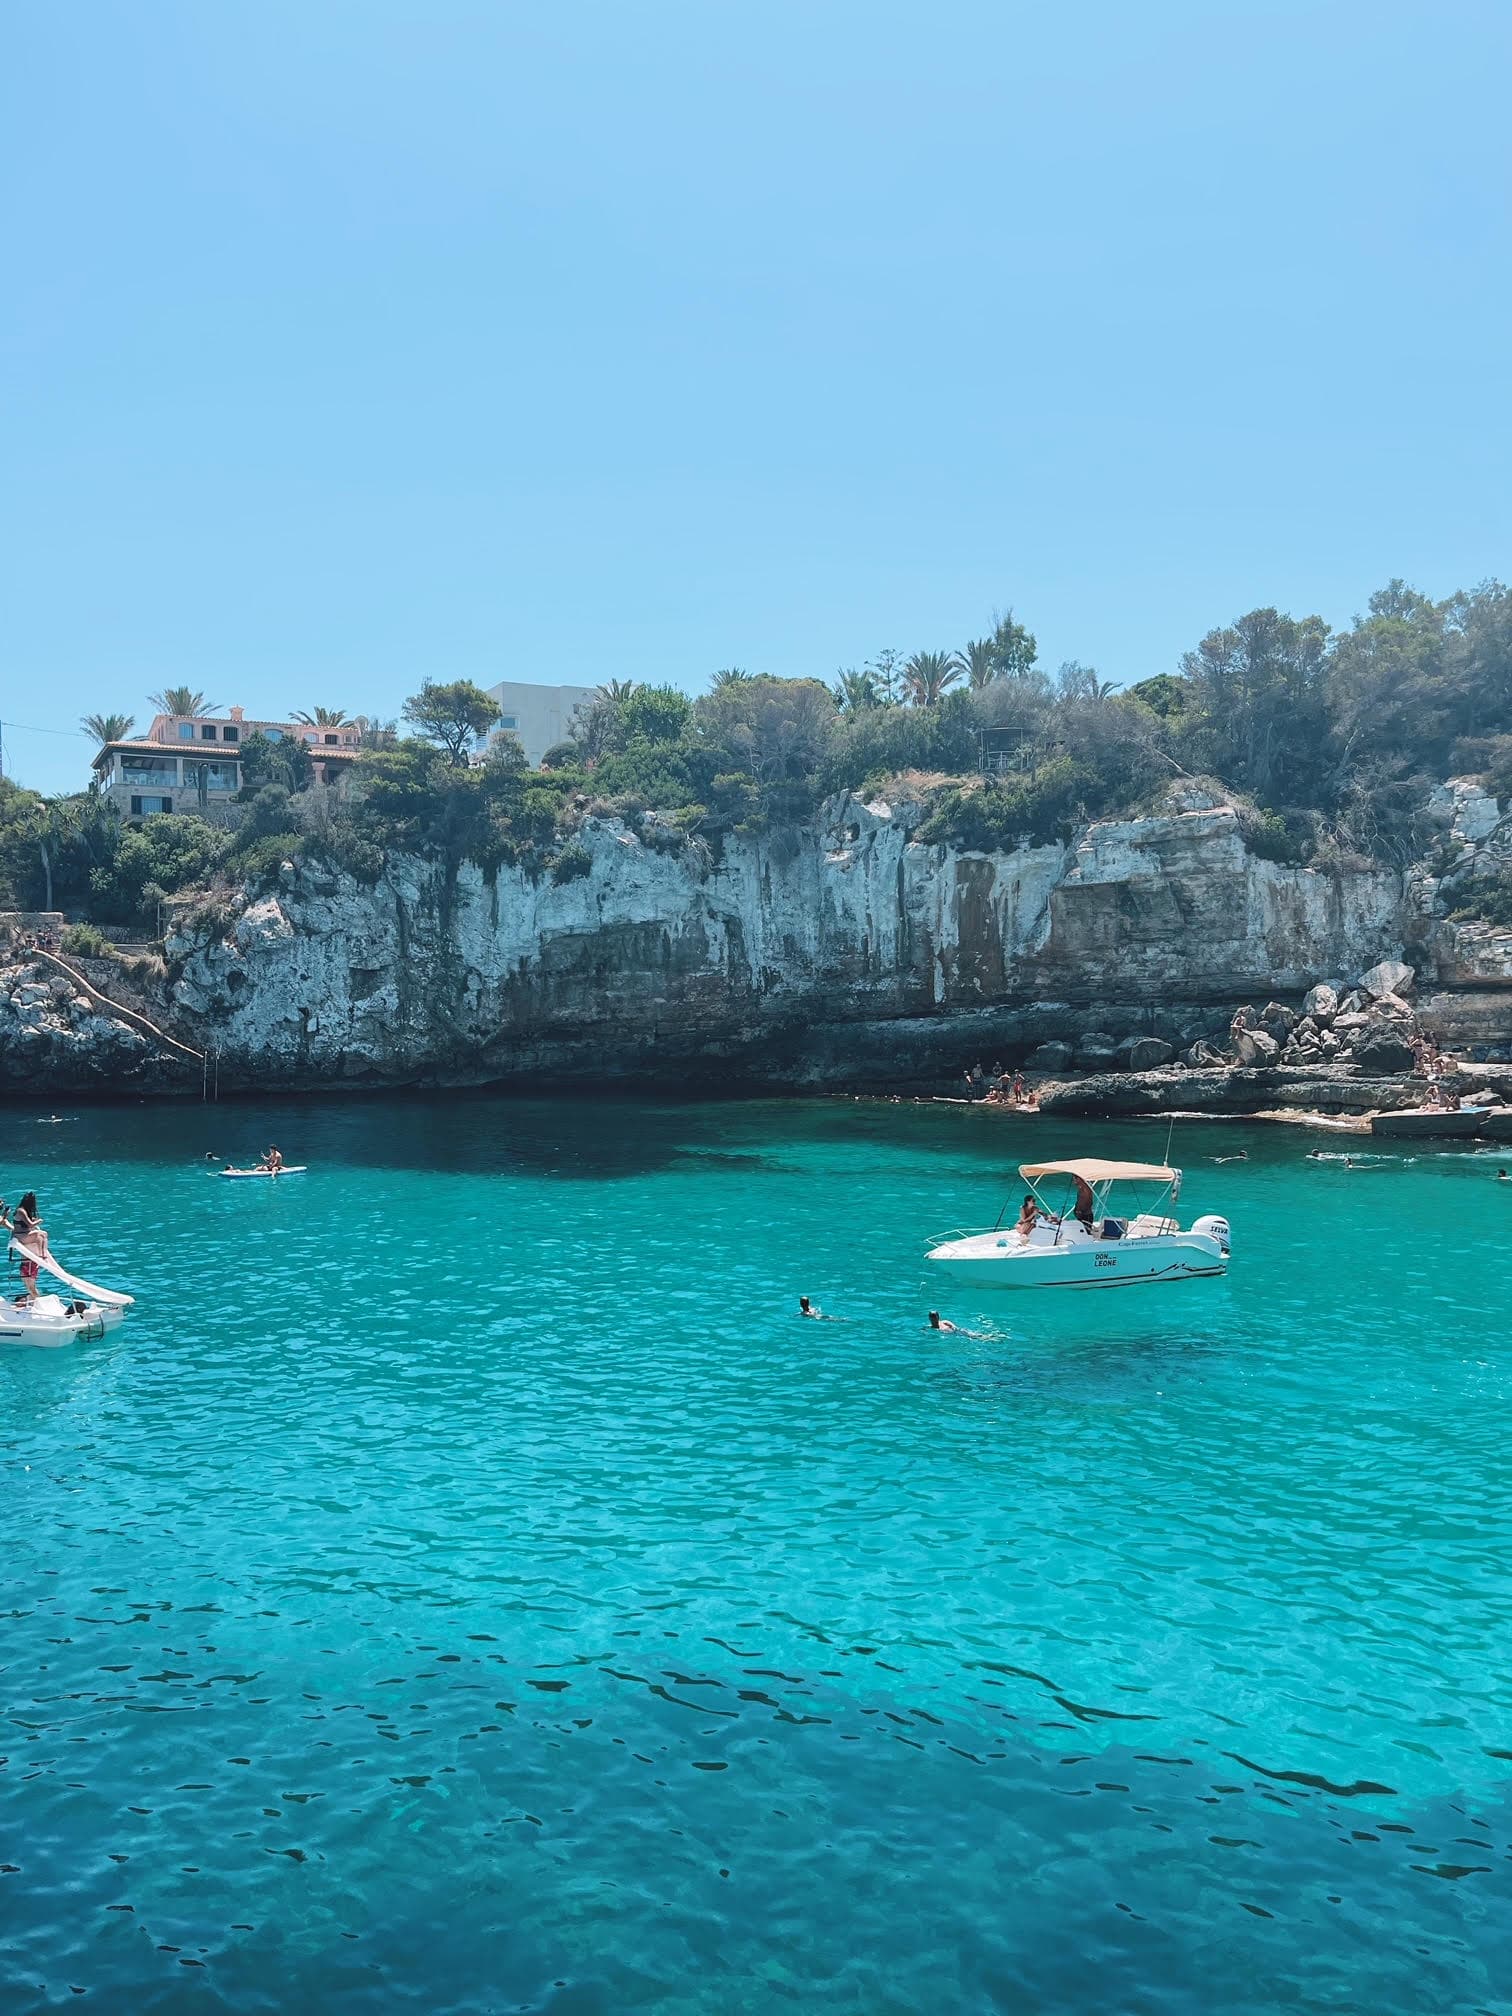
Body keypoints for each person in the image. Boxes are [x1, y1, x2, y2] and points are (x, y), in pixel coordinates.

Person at [1, 1192, 47, 1302]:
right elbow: (4, 1222)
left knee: (31, 1288)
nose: (2, 1203)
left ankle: (35, 1303)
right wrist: (37, 1222)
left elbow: (11, 1227)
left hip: (27, 1265)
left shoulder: (18, 1213)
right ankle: (42, 1255)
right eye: (1, 1202)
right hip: (29, 1265)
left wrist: (20, 1230)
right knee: (31, 1288)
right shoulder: (20, 1211)